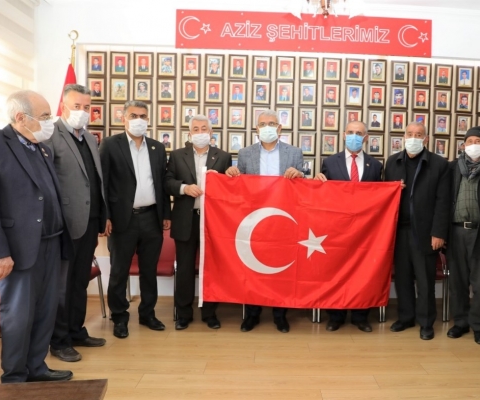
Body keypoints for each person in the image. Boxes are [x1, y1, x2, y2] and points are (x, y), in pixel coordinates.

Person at [0, 90, 73, 382]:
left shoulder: (42, 148)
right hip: (15, 249)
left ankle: (37, 368)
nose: (50, 121)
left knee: (45, 311)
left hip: (51, 242)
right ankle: (15, 377)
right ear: (20, 117)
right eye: (44, 116)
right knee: (19, 314)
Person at [225, 110, 304, 333]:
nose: (267, 127)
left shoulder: (294, 153)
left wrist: (299, 175)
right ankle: (252, 314)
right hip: (254, 219)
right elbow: (238, 186)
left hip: (282, 218)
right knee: (252, 268)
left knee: (280, 267)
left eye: (271, 123)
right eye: (262, 124)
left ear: (279, 128)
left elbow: (304, 186)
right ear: (256, 128)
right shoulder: (245, 153)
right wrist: (231, 173)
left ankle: (280, 314)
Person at [46, 84, 108, 363]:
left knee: (80, 281)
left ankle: (76, 331)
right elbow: (47, 181)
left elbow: (95, 180)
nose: (82, 112)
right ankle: (59, 341)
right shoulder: (51, 135)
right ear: (63, 107)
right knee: (63, 284)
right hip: (65, 224)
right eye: (77, 106)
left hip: (90, 221)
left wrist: (103, 215)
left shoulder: (90, 139)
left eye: (87, 107)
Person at [99, 100, 171, 339]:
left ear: (148, 119)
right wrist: (105, 216)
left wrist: (166, 214)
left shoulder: (157, 147)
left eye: (143, 116)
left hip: (151, 217)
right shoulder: (110, 144)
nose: (139, 120)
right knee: (119, 271)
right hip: (123, 219)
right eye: (133, 115)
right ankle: (119, 317)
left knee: (149, 270)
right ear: (124, 119)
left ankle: (148, 314)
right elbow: (102, 183)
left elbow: (162, 184)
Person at [313, 121, 383, 333]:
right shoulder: (329, 162)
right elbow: (322, 195)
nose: (354, 136)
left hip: (365, 230)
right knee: (336, 270)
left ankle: (360, 316)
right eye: (351, 132)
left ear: (366, 138)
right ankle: (336, 316)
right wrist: (317, 181)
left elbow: (380, 196)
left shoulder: (376, 165)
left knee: (363, 272)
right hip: (337, 228)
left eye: (359, 133)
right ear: (344, 135)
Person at [164, 115, 232, 330]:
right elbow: (167, 182)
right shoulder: (177, 155)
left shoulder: (223, 156)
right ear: (189, 133)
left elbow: (230, 189)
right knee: (184, 269)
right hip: (185, 220)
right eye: (196, 129)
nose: (200, 132)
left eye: (204, 129)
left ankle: (210, 313)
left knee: (211, 269)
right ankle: (183, 314)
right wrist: (184, 188)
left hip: (213, 222)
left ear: (211, 133)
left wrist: (226, 178)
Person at [385, 121, 451, 340]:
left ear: (426, 139)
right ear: (404, 137)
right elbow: (383, 196)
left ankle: (426, 322)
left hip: (426, 232)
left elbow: (443, 201)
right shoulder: (392, 162)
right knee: (402, 279)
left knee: (425, 280)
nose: (414, 138)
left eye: (419, 134)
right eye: (410, 134)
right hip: (399, 231)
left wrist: (438, 233)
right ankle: (405, 317)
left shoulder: (439, 164)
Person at [446, 126, 480, 346]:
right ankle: (460, 322)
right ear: (463, 145)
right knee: (457, 282)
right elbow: (442, 200)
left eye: (478, 141)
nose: (473, 145)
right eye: (469, 141)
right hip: (456, 231)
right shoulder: (452, 168)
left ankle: (479, 326)